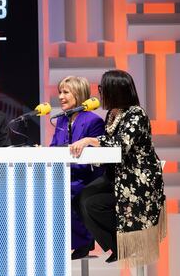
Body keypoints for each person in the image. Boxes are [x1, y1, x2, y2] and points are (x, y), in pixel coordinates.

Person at [70, 70, 166, 267]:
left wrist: (89, 140)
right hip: (115, 176)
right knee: (80, 198)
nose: (100, 93)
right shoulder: (112, 114)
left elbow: (120, 145)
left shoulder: (136, 114)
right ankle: (117, 244)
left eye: (103, 89)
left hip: (135, 180)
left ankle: (125, 244)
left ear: (115, 90)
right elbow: (109, 145)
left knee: (92, 204)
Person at [50, 76, 105, 260]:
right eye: (60, 92)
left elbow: (96, 156)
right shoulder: (62, 120)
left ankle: (84, 241)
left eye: (66, 92)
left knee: (66, 192)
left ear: (79, 94)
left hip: (84, 177)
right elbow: (54, 147)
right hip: (65, 174)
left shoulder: (93, 121)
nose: (60, 96)